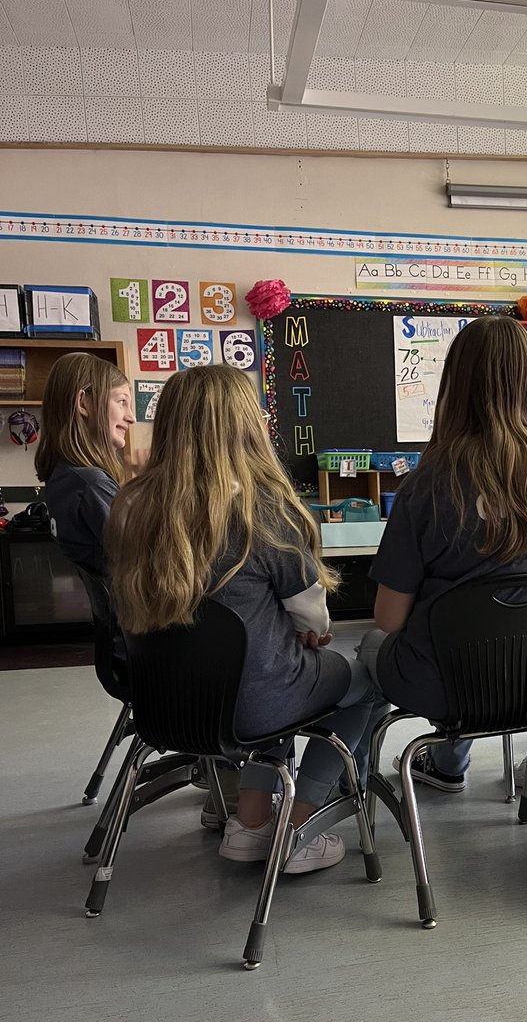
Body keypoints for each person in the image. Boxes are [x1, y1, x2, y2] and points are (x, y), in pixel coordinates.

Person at [105, 364, 388, 874]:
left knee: (267, 660)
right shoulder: (263, 507)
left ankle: (250, 821)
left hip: (168, 704)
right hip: (256, 701)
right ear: (243, 425)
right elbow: (308, 610)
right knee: (361, 679)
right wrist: (311, 633)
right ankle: (299, 825)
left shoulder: (132, 505)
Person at [369, 315, 527, 791]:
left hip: (445, 685)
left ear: (456, 382)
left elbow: (389, 619)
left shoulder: (429, 482)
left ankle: (365, 781)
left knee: (371, 648)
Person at [34, 352, 134, 575]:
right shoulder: (91, 484)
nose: (131, 417)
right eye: (122, 402)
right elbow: (146, 560)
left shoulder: (63, 476)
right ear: (83, 403)